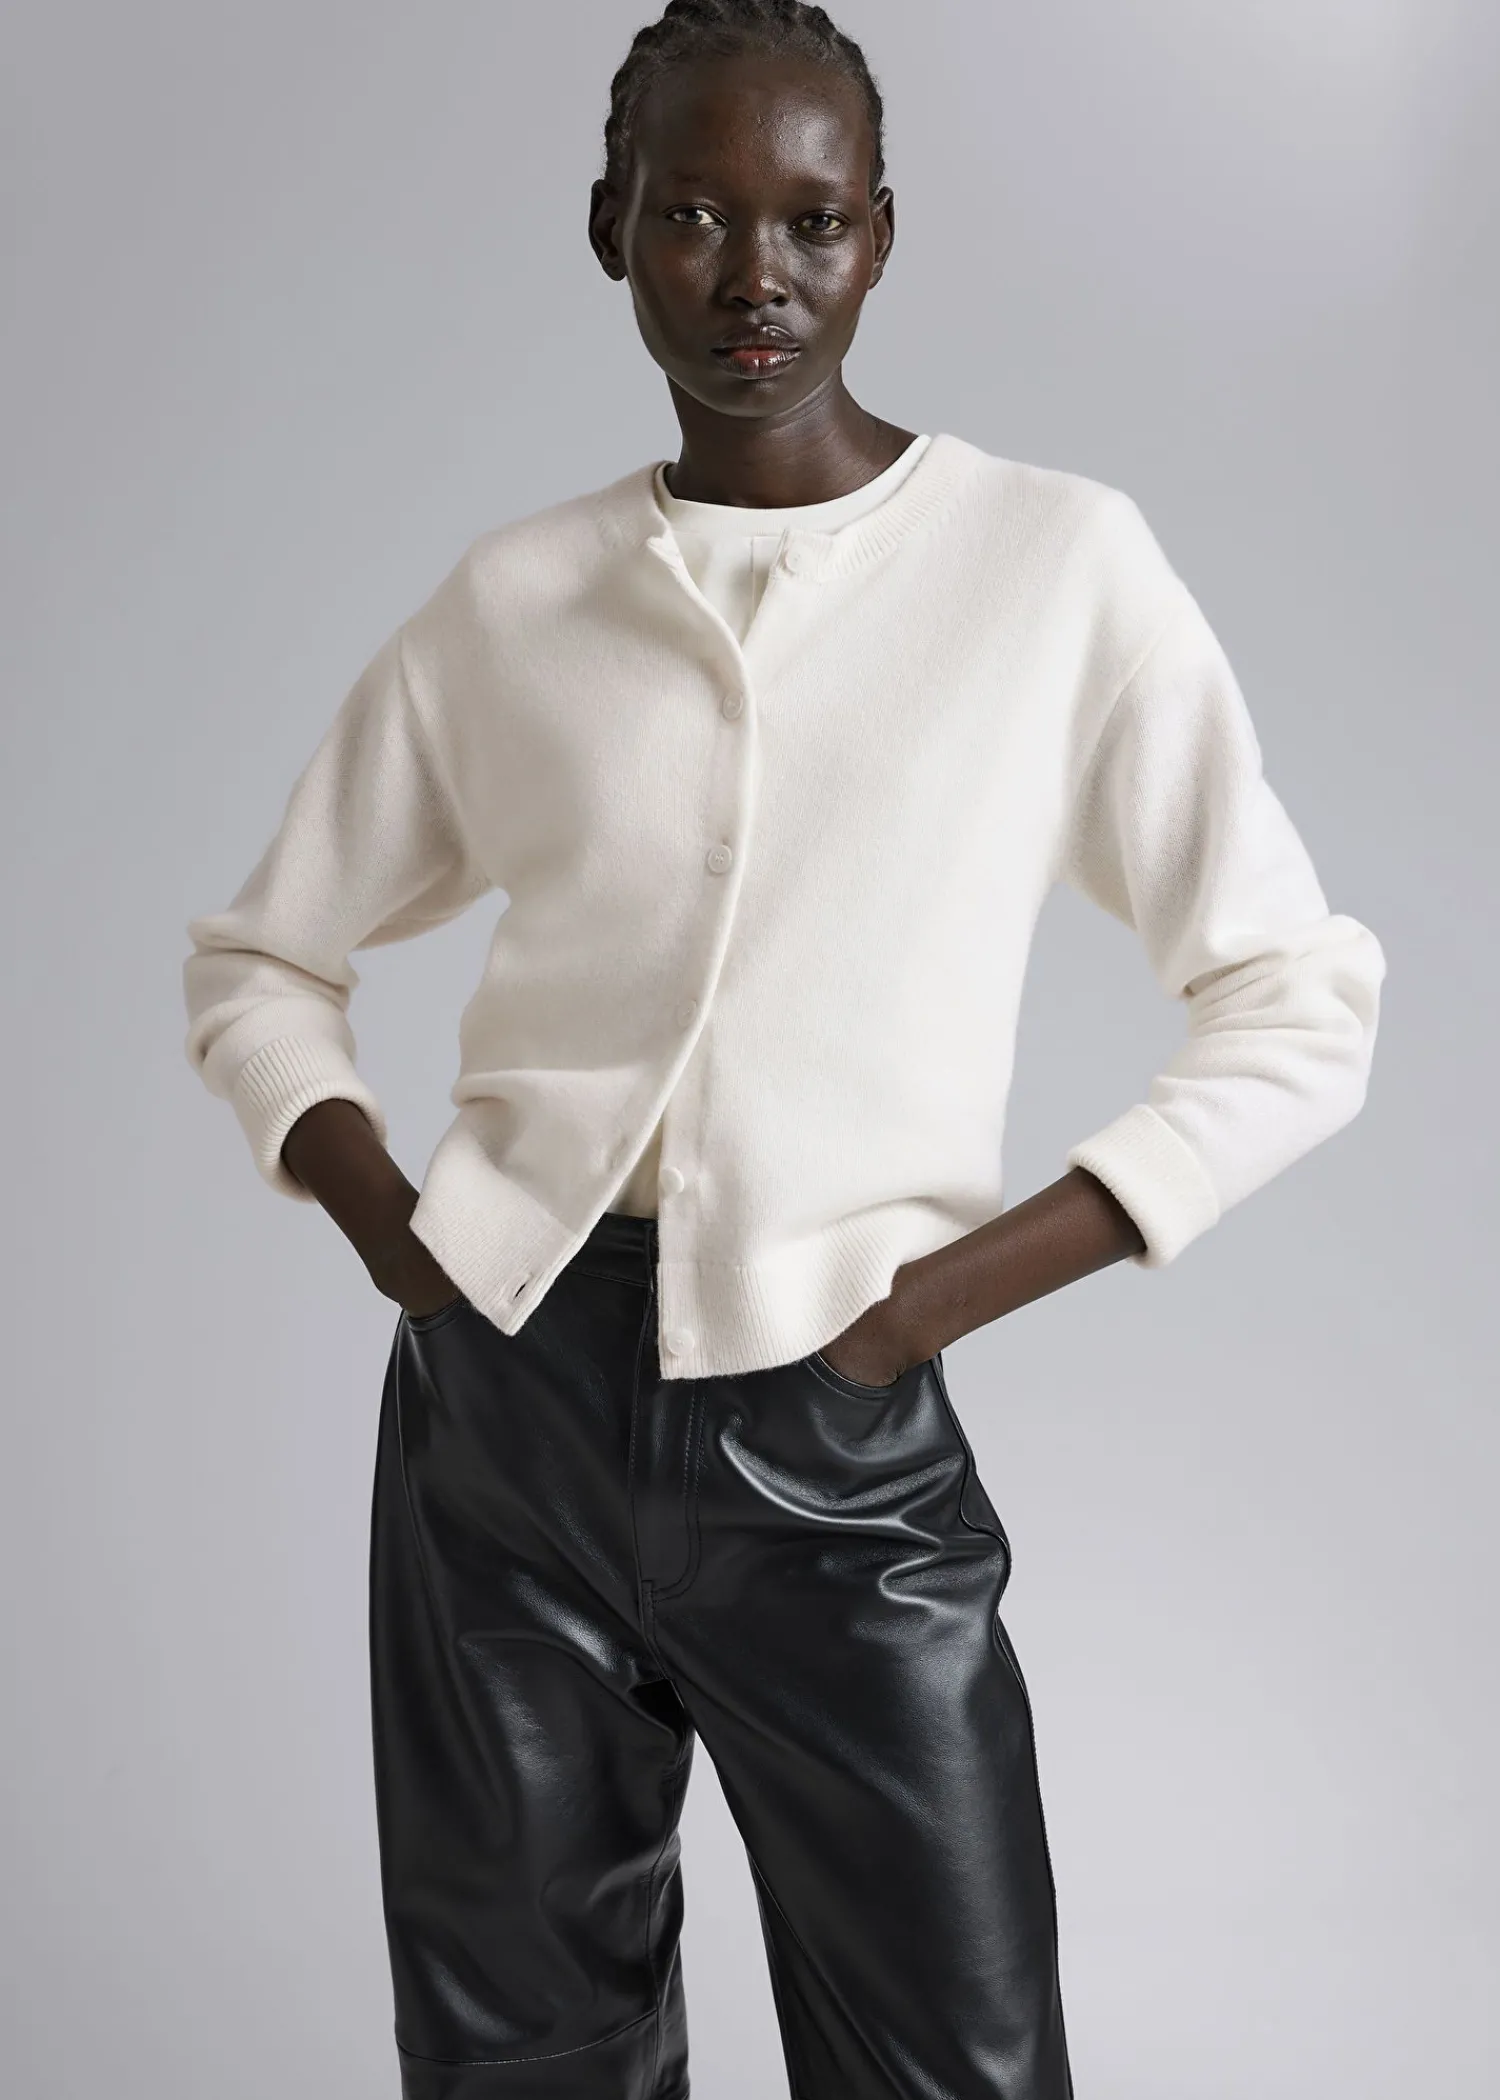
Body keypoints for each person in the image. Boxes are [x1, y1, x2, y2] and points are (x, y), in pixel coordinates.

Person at [181, 3, 1386, 2094]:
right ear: (612, 230)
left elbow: (1301, 1002)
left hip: (839, 1438)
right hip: (503, 1431)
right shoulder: (517, 600)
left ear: (882, 237)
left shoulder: (1052, 568)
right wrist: (407, 1245)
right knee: (518, 2060)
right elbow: (260, 962)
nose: (757, 276)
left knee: (953, 2059)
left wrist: (924, 1309)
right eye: (695, 217)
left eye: (813, 222)